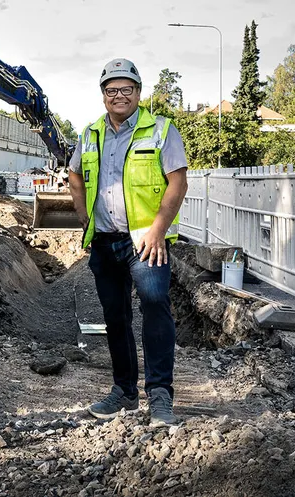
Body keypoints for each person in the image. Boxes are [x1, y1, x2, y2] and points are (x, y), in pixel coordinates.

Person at [68, 58, 188, 427]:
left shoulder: (161, 130)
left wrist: (157, 229)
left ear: (138, 92)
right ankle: (124, 392)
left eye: (126, 89)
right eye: (111, 90)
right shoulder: (90, 133)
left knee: (155, 310)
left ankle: (160, 396)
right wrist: (86, 219)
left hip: (146, 242)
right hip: (105, 241)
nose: (119, 96)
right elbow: (74, 175)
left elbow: (178, 182)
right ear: (103, 95)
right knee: (114, 317)